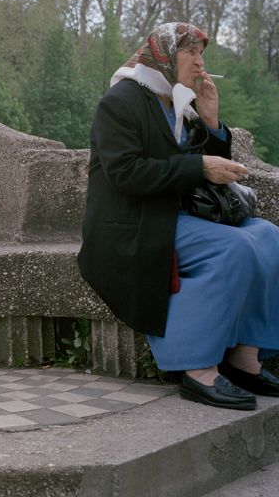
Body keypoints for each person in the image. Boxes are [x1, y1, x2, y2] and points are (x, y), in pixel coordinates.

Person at [78, 22, 279, 410]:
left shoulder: (175, 101)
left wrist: (210, 121)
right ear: (165, 55)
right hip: (133, 223)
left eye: (202, 53)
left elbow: (203, 158)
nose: (201, 63)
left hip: (172, 213)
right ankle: (196, 368)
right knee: (233, 248)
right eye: (193, 53)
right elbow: (126, 173)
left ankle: (244, 358)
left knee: (270, 238)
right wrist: (199, 167)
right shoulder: (121, 102)